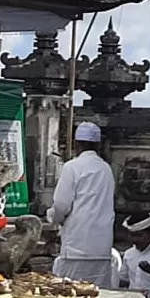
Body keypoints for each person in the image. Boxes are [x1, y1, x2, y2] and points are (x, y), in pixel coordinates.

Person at [48, 122, 116, 287]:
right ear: (98, 145)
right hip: (101, 248)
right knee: (97, 296)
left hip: (77, 248)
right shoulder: (106, 169)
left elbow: (61, 205)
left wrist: (53, 218)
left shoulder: (72, 167)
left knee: (69, 294)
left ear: (76, 144)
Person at [116, 215, 150, 294]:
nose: (134, 239)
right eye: (131, 235)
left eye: (138, 235)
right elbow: (124, 280)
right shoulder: (129, 253)